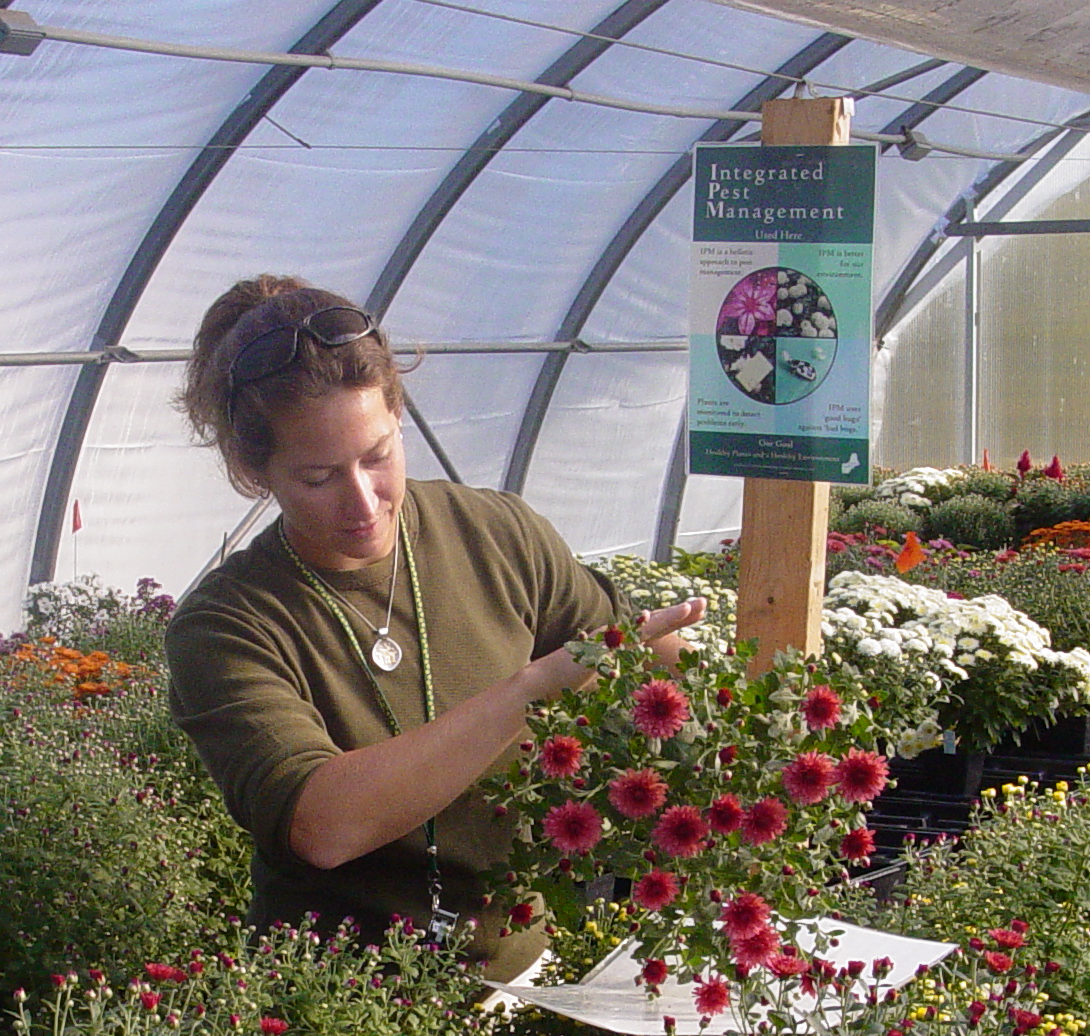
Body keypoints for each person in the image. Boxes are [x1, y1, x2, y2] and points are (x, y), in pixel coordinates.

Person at [164, 275, 703, 980]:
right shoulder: (230, 623)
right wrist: (533, 689)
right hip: (343, 1005)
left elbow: (637, 649)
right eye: (319, 477)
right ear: (251, 469)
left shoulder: (495, 533)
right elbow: (322, 824)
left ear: (399, 414)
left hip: (524, 976)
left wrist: (732, 721)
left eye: (379, 455)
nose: (363, 501)